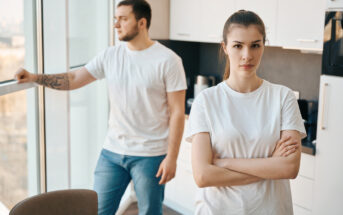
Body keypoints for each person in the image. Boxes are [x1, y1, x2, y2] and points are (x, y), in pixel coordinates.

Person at [15, 0, 187, 214]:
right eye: (115, 19)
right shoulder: (111, 55)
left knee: (150, 212)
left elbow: (177, 113)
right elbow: (76, 78)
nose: (116, 25)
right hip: (112, 153)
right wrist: (34, 77)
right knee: (97, 211)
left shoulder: (168, 60)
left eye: (123, 19)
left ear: (142, 23)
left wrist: (172, 157)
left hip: (151, 155)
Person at [186, 10, 306, 215]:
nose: (247, 55)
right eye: (238, 45)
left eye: (255, 45)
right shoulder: (206, 101)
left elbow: (288, 169)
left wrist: (224, 163)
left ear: (263, 46)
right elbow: (203, 176)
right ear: (225, 47)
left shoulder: (283, 97)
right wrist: (269, 166)